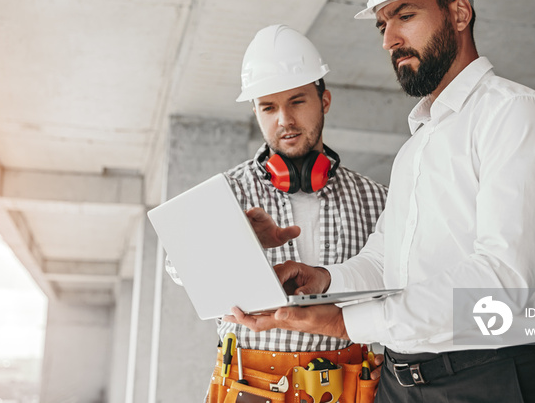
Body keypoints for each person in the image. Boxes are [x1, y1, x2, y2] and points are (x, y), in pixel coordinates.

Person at [225, 0, 535, 402]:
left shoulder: (515, 115)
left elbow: (501, 282)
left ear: (459, 13)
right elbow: (385, 261)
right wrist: (325, 279)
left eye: (406, 15)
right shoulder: (417, 148)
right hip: (400, 383)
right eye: (381, 25)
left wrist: (343, 321)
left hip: (488, 377)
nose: (390, 40)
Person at [166, 24, 388, 403]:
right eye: (268, 107)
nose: (283, 119)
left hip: (352, 384)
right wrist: (233, 240)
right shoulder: (229, 193)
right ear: (256, 112)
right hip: (253, 387)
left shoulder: (375, 198)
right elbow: (179, 266)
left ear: (325, 101)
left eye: (297, 101)